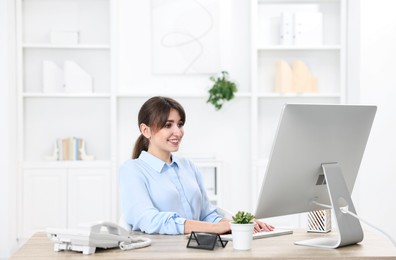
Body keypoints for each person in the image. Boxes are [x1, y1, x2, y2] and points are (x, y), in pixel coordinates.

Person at [119, 96, 274, 235]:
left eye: (179, 124)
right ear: (145, 130)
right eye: (168, 125)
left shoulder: (187, 166)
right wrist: (214, 228)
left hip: (197, 247)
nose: (177, 132)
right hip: (160, 252)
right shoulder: (132, 170)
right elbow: (148, 219)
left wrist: (241, 224)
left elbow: (207, 214)